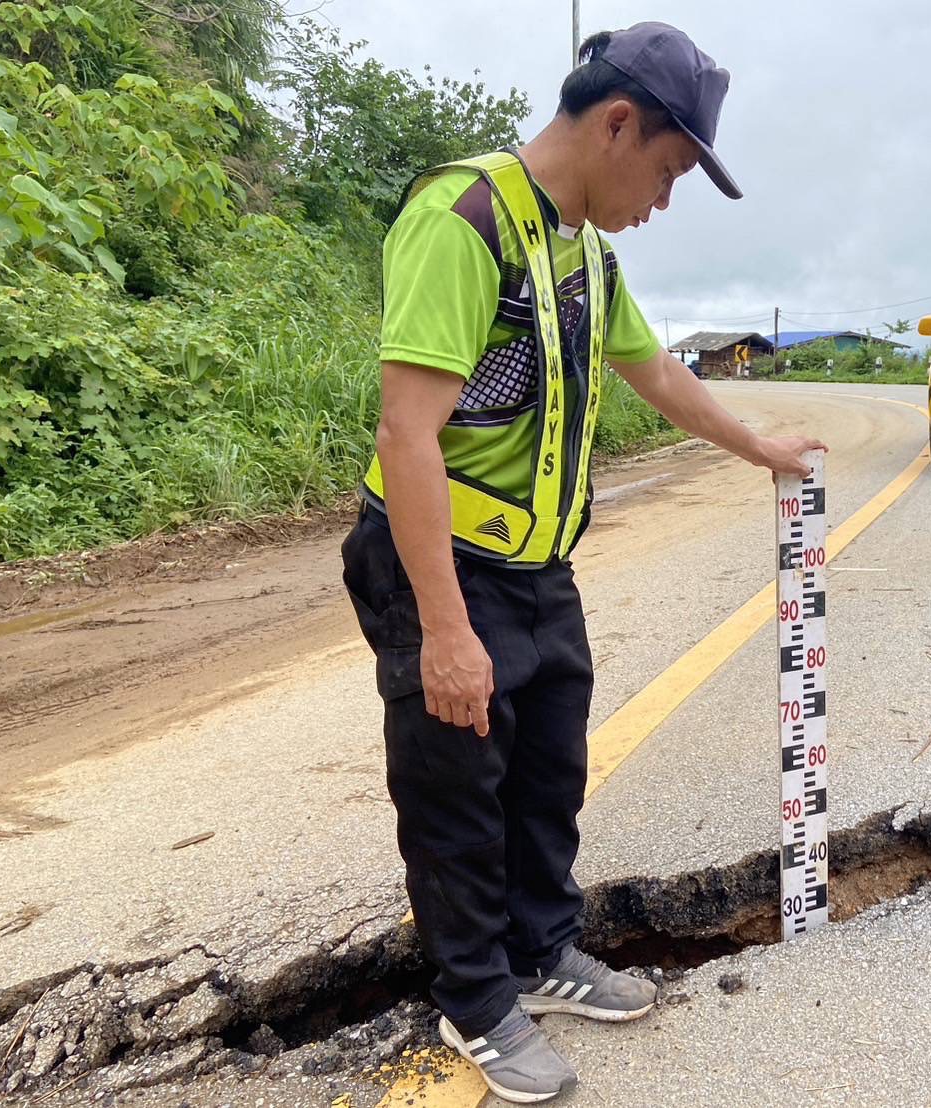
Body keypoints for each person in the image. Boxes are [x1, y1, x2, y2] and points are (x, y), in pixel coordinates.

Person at [341, 20, 825, 1103]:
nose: (661, 200)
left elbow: (650, 367)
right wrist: (446, 630)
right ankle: (474, 998)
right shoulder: (462, 220)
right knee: (457, 784)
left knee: (548, 767)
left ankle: (539, 953)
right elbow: (406, 436)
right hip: (440, 563)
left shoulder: (584, 252)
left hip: (536, 564)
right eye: (664, 170)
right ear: (617, 124)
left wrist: (758, 447)